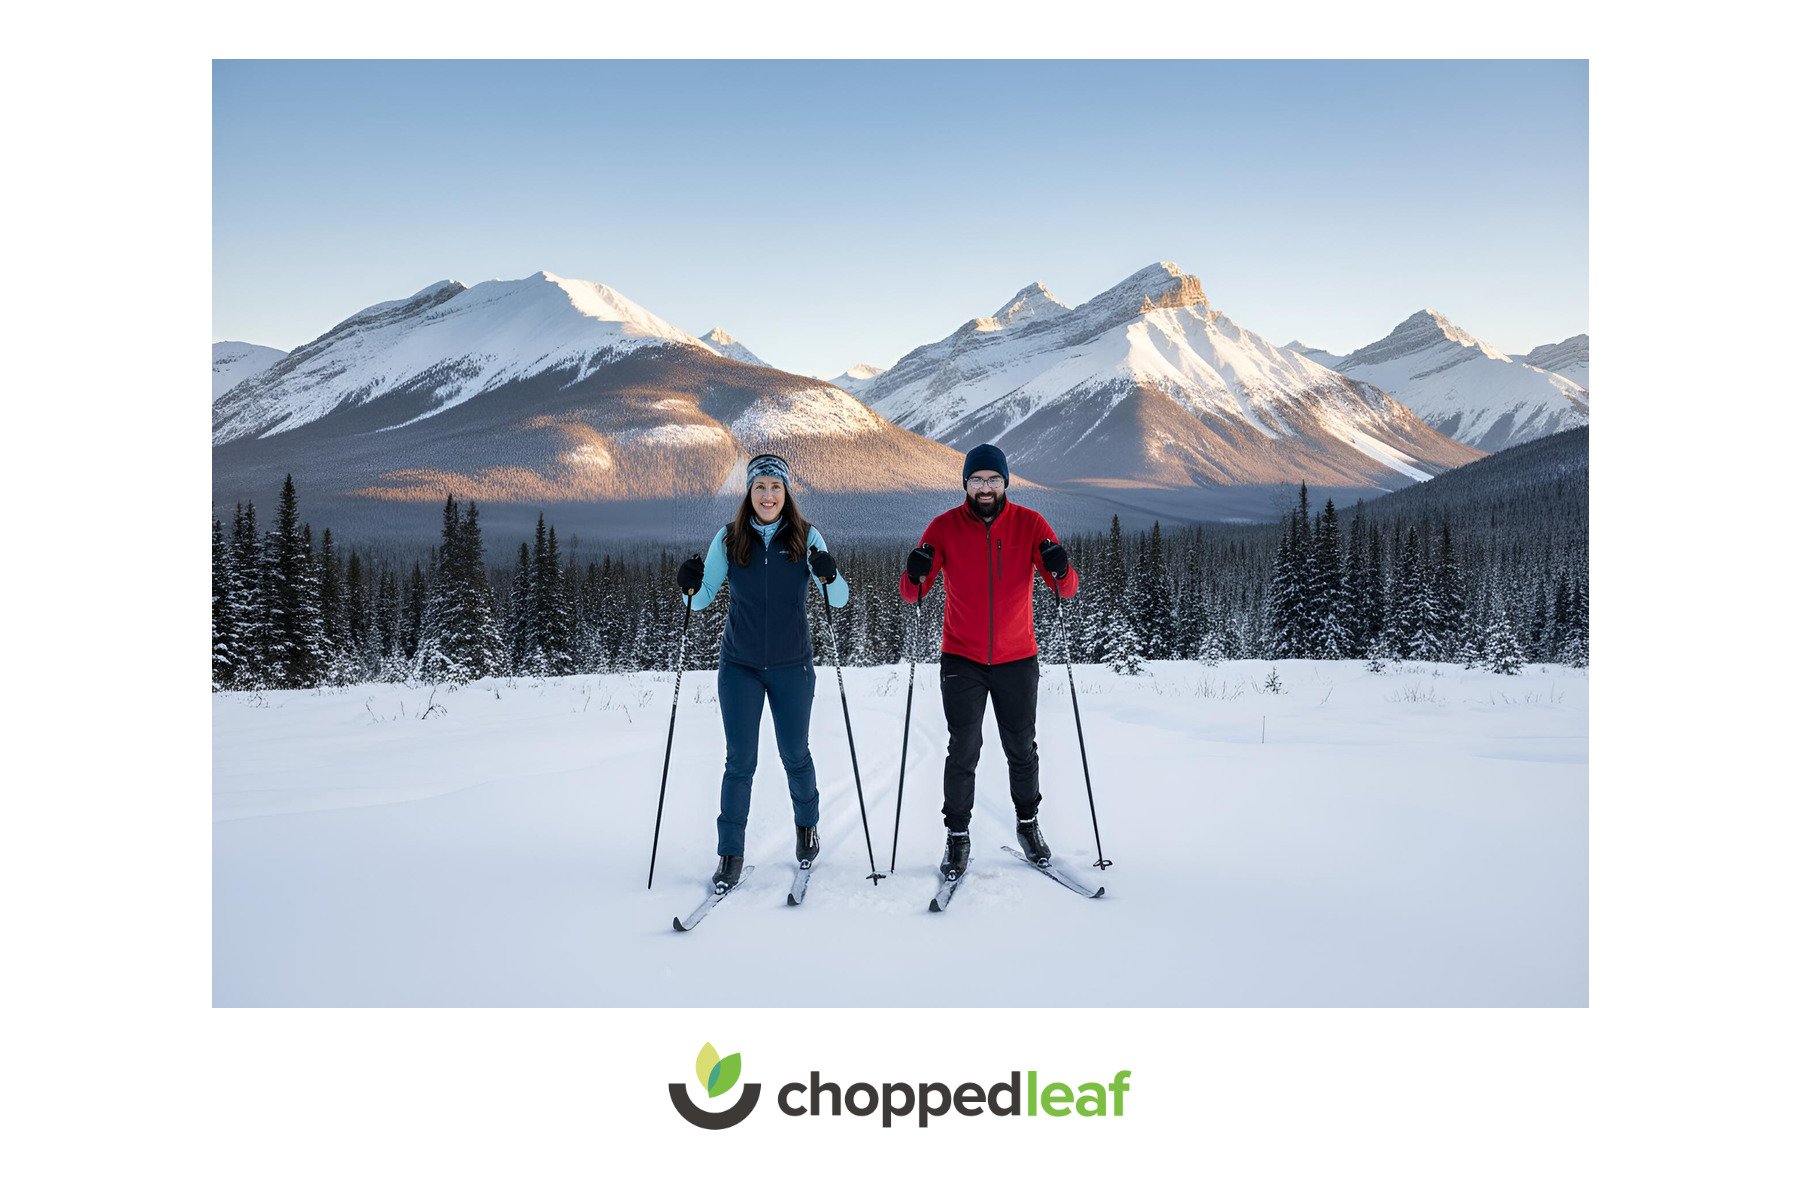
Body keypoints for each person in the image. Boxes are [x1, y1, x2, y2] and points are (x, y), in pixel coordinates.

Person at [897, 443, 1078, 878]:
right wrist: (914, 570)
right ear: (965, 483)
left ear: (1005, 482)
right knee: (964, 748)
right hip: (962, 657)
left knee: (1021, 747)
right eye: (977, 480)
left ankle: (1028, 825)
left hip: (1018, 657)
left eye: (993, 480)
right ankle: (957, 836)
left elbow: (1065, 589)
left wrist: (1061, 566)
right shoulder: (943, 527)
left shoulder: (1030, 524)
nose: (985, 488)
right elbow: (911, 594)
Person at [677, 453, 849, 891]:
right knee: (740, 761)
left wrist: (829, 575)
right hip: (740, 666)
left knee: (795, 754)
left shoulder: (807, 537)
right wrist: (688, 584)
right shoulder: (729, 538)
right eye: (760, 487)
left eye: (775, 487)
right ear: (749, 492)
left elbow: (839, 599)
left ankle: (807, 828)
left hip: (793, 666)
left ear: (786, 492)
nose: (768, 495)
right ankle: (730, 854)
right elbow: (701, 598)